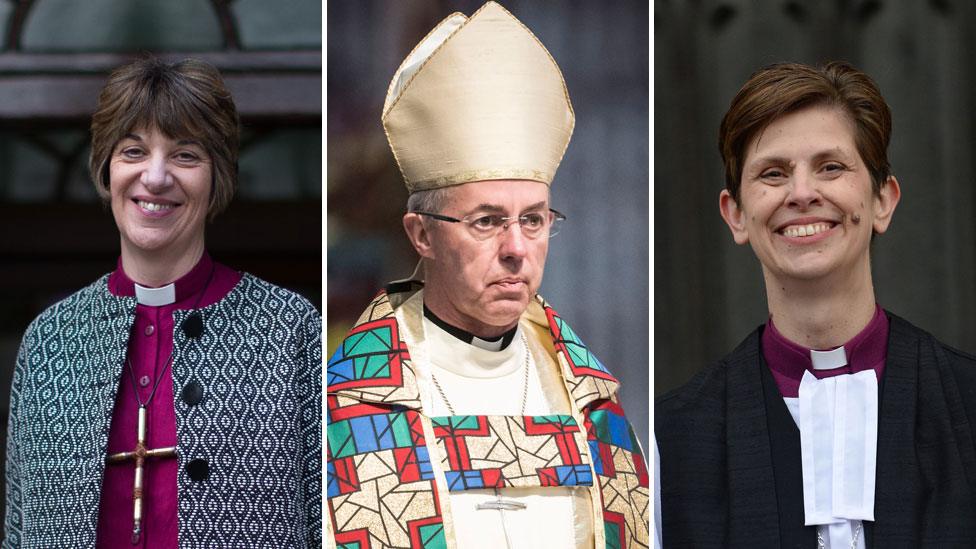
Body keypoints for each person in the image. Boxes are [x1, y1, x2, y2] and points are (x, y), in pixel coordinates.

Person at [326, 2, 649, 548]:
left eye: (534, 220)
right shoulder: (346, 406)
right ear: (421, 235)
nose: (517, 249)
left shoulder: (594, 405)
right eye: (486, 222)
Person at [656, 61, 976, 547]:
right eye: (773, 173)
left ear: (882, 200)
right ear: (736, 215)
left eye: (831, 167)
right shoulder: (667, 445)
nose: (802, 193)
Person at [4, 57, 321, 548]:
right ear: (106, 170)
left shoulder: (291, 331)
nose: (155, 177)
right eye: (133, 151)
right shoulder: (49, 339)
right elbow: (20, 531)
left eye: (185, 156)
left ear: (217, 177)